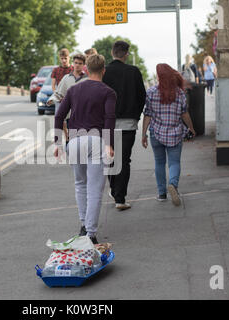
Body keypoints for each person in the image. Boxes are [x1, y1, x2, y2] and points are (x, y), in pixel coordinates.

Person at [54, 54, 116, 244]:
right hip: (97, 140)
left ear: (87, 70)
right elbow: (109, 118)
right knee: (95, 189)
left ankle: (83, 225)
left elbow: (59, 116)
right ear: (103, 70)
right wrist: (109, 143)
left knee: (80, 184)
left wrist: (57, 143)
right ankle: (90, 233)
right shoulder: (108, 92)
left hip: (74, 140)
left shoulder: (73, 90)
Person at [141, 63, 196, 206]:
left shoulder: (151, 92)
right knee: (174, 162)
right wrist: (191, 128)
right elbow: (185, 114)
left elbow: (147, 115)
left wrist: (143, 134)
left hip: (156, 133)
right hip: (175, 133)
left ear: (159, 76)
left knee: (159, 162)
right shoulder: (179, 93)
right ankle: (173, 184)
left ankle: (161, 194)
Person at [102, 40, 147, 211]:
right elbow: (142, 96)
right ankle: (120, 199)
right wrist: (135, 115)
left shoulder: (104, 72)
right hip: (128, 124)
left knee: (110, 159)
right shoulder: (133, 71)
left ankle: (114, 191)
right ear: (126, 54)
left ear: (112, 53)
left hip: (108, 124)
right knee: (124, 161)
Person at [48, 53, 89, 141]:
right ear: (73, 63)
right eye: (76, 63)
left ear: (84, 65)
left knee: (83, 141)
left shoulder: (87, 79)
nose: (77, 65)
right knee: (72, 140)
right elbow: (59, 93)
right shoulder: (66, 78)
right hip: (70, 115)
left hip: (84, 115)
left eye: (80, 63)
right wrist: (52, 99)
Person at [51, 48, 73, 113]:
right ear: (59, 58)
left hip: (71, 97)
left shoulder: (73, 69)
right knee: (59, 118)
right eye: (62, 58)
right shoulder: (55, 70)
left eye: (65, 58)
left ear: (69, 58)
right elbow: (53, 86)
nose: (64, 60)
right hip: (59, 97)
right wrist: (57, 96)